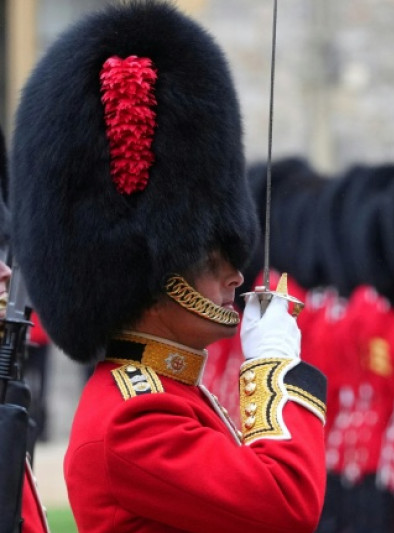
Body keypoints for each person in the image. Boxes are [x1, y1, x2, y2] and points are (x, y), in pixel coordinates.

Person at [9, 2, 327, 531]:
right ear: (155, 276)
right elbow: (285, 503)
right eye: (208, 258)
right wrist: (272, 372)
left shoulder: (171, 392)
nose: (235, 276)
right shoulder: (134, 418)